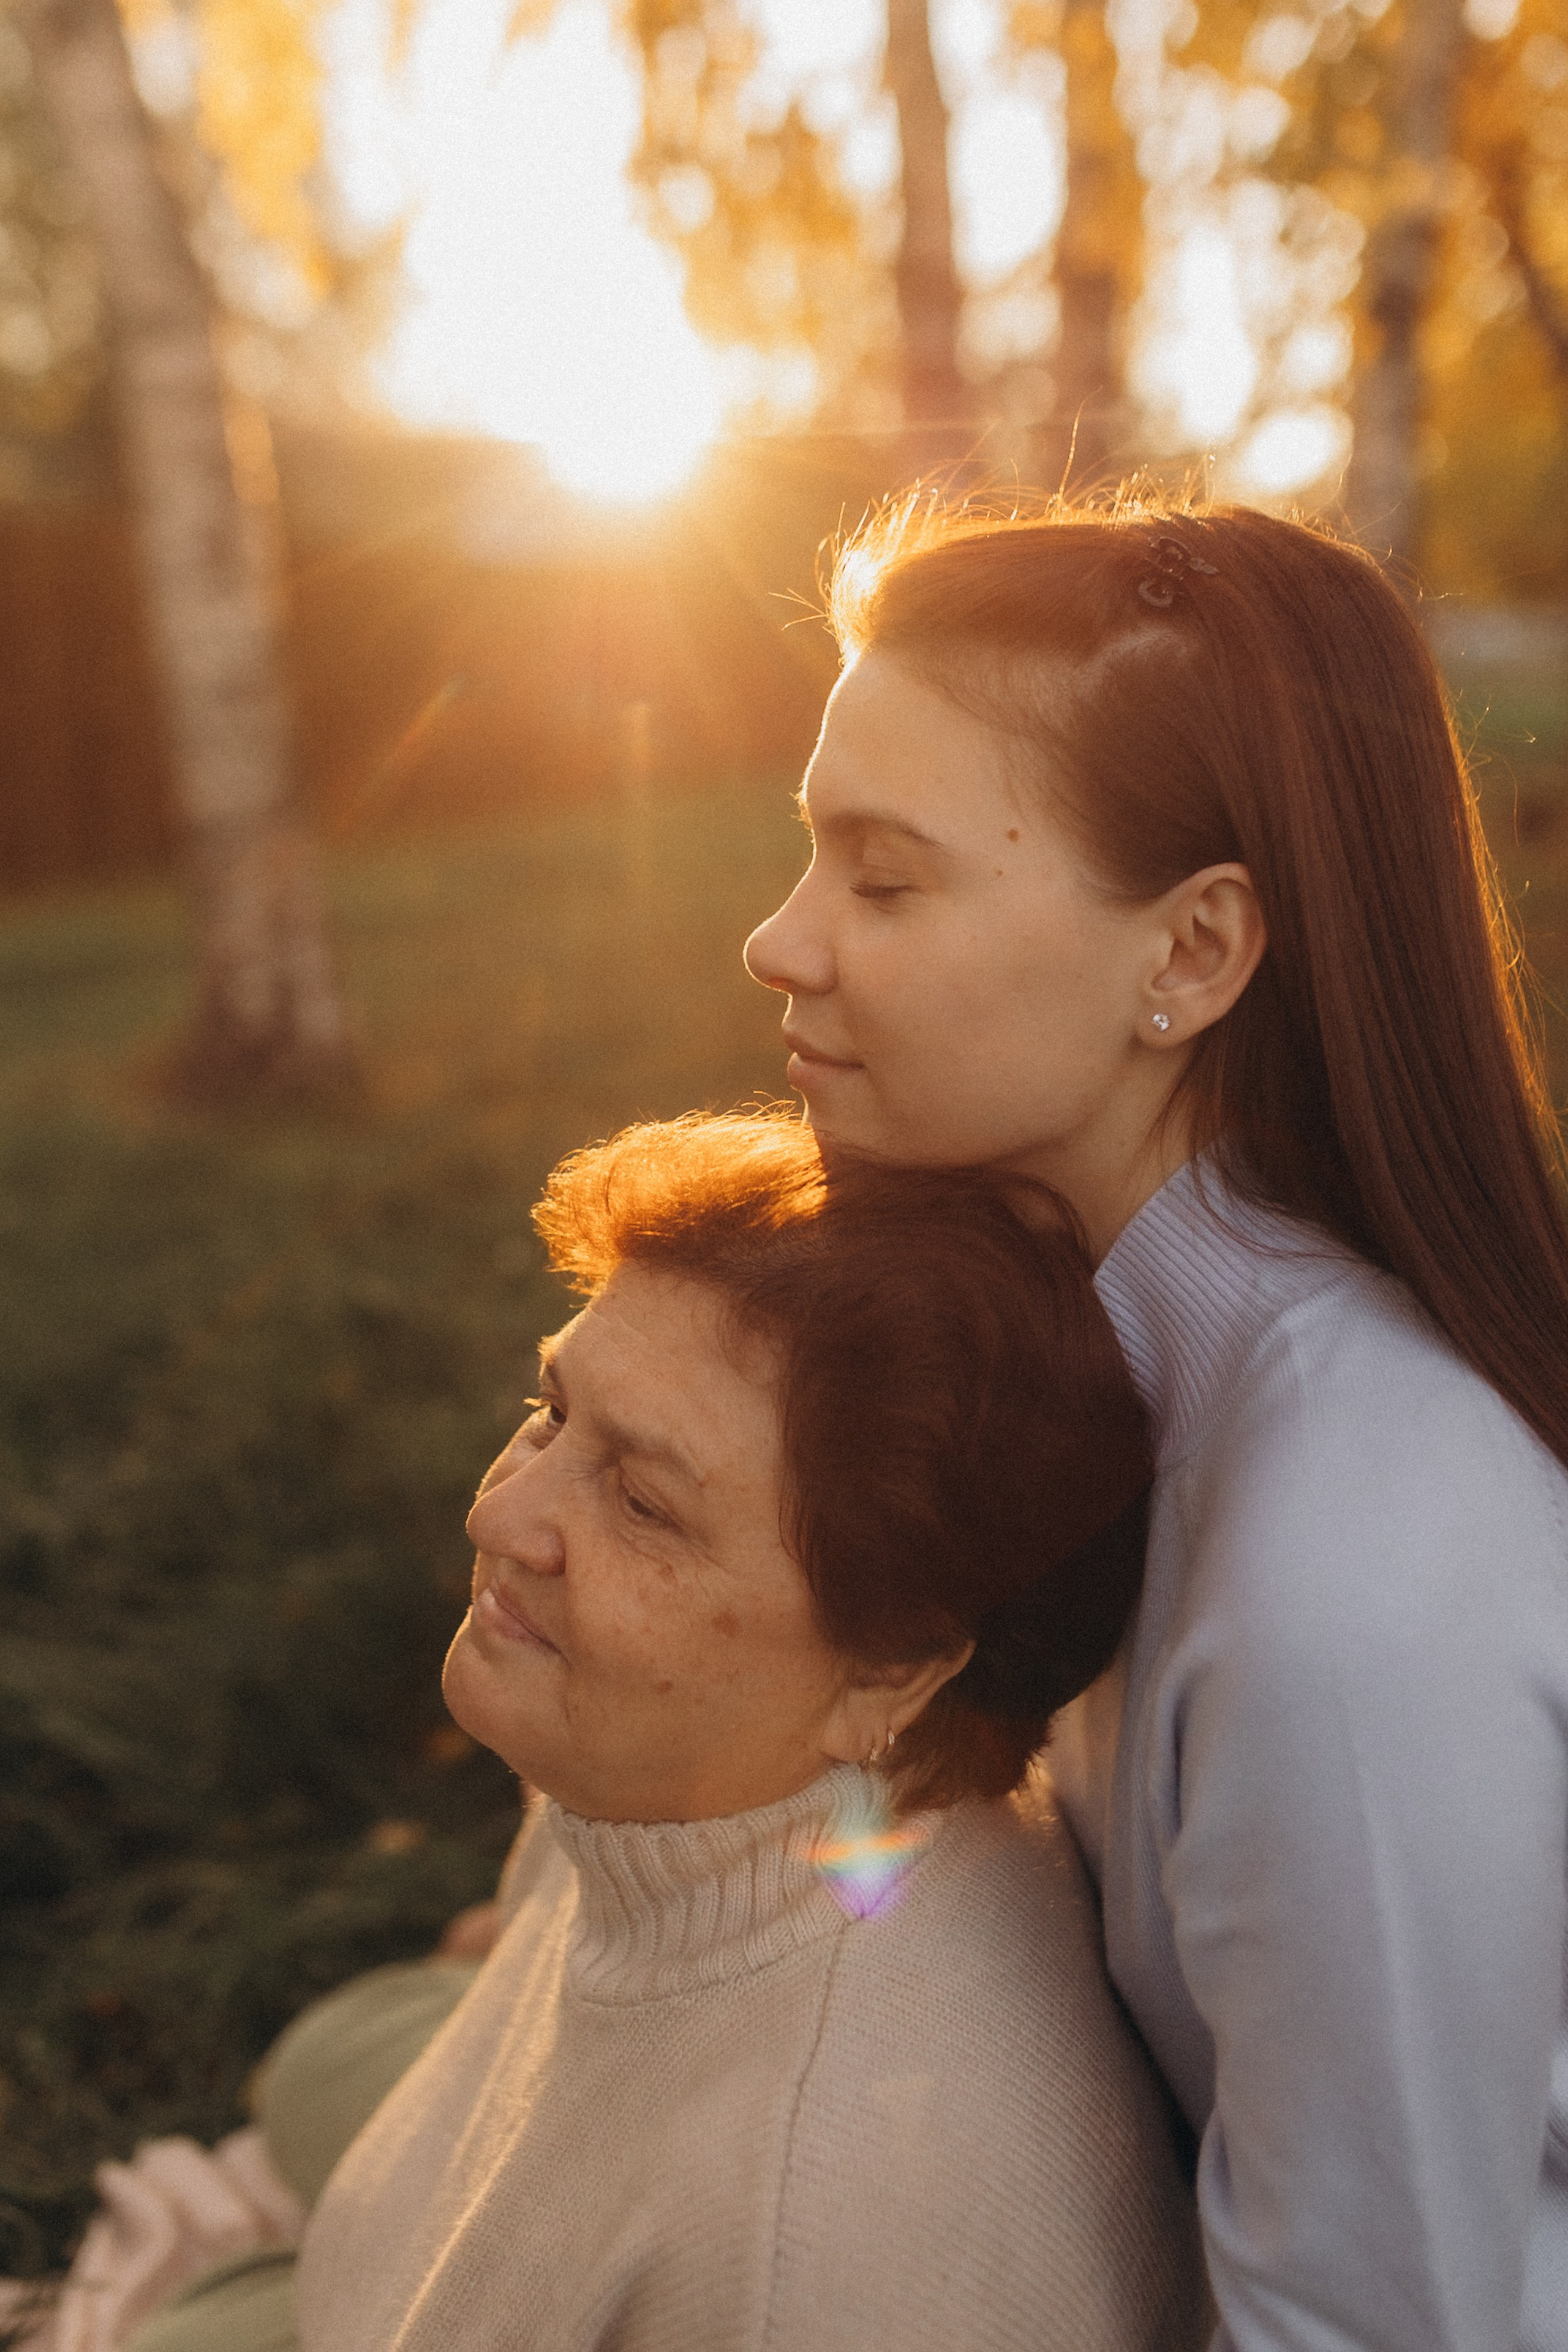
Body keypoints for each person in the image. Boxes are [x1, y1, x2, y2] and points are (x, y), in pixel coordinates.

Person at [741, 496, 1568, 2352]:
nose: (777, 943)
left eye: (884, 880)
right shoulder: (1083, 1380)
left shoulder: (1355, 1576)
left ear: (1191, 955)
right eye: (809, 853)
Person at [124, 1112, 1205, 2352]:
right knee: (328, 2067)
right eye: (549, 1411)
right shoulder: (703, 1762)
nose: (499, 1516)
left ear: (891, 1667)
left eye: (642, 1502)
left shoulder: (807, 2258)